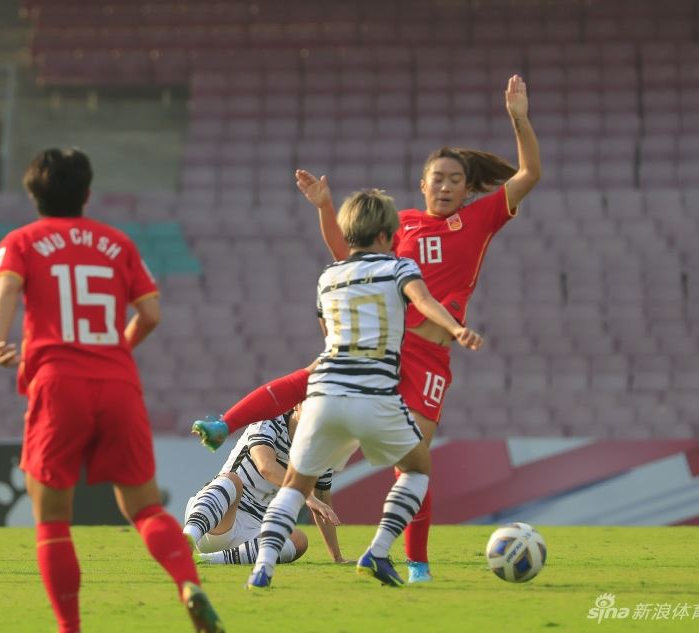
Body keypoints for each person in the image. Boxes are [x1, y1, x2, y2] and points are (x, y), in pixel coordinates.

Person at [196, 74, 540, 583]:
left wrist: (518, 119)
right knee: (315, 383)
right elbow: (350, 257)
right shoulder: (400, 226)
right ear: (422, 185)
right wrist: (325, 209)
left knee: (409, 463)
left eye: (455, 179)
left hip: (429, 359)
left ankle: (414, 562)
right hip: (385, 346)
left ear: (469, 188)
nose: (446, 186)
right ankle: (226, 425)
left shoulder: (480, 219)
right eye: (437, 178)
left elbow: (530, 173)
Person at [0, 148, 223, 633]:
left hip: (58, 383)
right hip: (117, 382)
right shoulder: (117, 242)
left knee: (53, 520)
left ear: (34, 196)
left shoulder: (21, 241)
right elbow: (150, 313)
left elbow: (8, 286)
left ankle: (70, 627)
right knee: (145, 508)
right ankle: (187, 584)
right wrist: (115, 351)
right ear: (87, 193)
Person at [244, 189, 483, 589]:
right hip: (374, 395)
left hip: (323, 396)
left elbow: (327, 331)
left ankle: (263, 567)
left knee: (296, 485)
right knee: (417, 469)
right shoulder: (400, 268)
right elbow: (424, 301)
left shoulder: (328, 277)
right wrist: (455, 329)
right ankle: (378, 550)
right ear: (388, 235)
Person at [183, 405, 349, 566]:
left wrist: (337, 557)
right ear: (297, 405)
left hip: (253, 529)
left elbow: (323, 503)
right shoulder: (268, 421)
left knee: (298, 539)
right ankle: (188, 537)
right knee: (232, 480)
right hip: (217, 516)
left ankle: (209, 560)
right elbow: (266, 466)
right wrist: (306, 496)